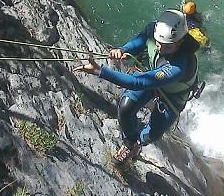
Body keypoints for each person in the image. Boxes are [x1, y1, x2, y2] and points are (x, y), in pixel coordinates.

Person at [74, 9, 208, 163]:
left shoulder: (179, 66)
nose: (160, 48)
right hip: (151, 78)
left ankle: (140, 143)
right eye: (158, 43)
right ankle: (130, 143)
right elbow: (139, 41)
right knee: (125, 107)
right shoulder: (153, 30)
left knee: (154, 131)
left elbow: (138, 83)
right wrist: (123, 50)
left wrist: (99, 71)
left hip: (171, 97)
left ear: (180, 43)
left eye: (167, 47)